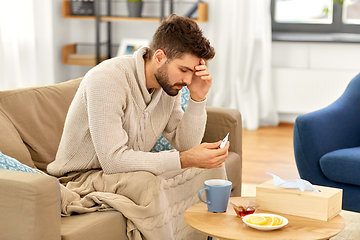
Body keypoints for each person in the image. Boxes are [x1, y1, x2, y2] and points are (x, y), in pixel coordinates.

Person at [47, 14, 229, 177]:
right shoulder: (107, 79)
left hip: (125, 173)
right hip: (82, 176)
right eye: (183, 70)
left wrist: (198, 97)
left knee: (212, 169)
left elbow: (186, 145)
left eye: (193, 72)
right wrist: (183, 160)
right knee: (152, 186)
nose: (189, 80)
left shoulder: (168, 87)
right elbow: (113, 161)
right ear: (159, 57)